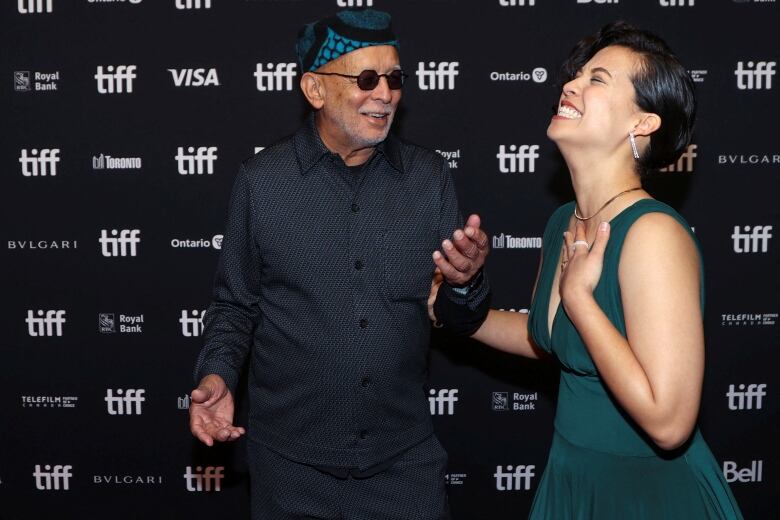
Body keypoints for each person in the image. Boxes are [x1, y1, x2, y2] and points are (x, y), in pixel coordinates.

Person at [431, 21, 743, 519]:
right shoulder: (564, 222)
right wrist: (461, 307)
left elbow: (670, 421)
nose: (569, 85)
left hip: (648, 496)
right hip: (573, 479)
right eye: (575, 75)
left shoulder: (652, 233)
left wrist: (580, 299)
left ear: (643, 123)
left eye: (597, 79)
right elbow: (548, 338)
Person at [188, 8, 490, 520]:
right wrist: (217, 373)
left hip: (404, 467)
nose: (385, 94)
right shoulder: (262, 182)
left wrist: (467, 281)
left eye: (394, 78)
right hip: (290, 471)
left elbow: (458, 319)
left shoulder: (429, 177)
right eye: (366, 78)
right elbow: (235, 305)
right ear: (314, 89)